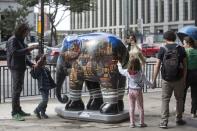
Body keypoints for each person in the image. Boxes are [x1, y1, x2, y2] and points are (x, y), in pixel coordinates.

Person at [152, 30, 187, 128]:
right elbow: (185, 66)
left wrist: (154, 80)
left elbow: (157, 65)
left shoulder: (162, 49)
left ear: (165, 39)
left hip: (166, 79)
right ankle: (179, 118)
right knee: (179, 99)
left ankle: (164, 122)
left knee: (165, 100)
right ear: (174, 38)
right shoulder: (181, 49)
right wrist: (184, 79)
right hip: (179, 79)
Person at [6, 23, 39, 121]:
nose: (27, 34)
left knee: (19, 89)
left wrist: (31, 64)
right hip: (15, 67)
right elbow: (15, 53)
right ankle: (14, 113)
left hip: (20, 67)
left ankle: (18, 110)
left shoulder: (20, 40)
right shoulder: (13, 40)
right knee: (16, 90)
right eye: (26, 32)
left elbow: (23, 56)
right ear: (22, 31)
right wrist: (28, 48)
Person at [117, 57, 153, 128]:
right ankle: (141, 123)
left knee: (131, 107)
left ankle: (132, 123)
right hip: (138, 91)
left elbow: (120, 70)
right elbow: (146, 82)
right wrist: (152, 85)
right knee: (140, 107)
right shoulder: (140, 74)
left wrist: (119, 64)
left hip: (130, 91)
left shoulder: (127, 72)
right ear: (138, 65)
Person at [30, 55, 56, 119]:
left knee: (46, 101)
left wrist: (53, 84)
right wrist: (39, 62)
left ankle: (43, 113)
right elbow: (35, 73)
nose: (45, 61)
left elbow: (49, 78)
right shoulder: (38, 68)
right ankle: (36, 110)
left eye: (44, 60)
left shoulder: (45, 69)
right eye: (43, 60)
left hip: (47, 86)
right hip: (42, 87)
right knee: (45, 100)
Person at [182, 36, 197, 118]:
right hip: (196, 74)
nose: (183, 45)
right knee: (195, 94)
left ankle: (181, 110)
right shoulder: (196, 51)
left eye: (184, 43)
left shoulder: (185, 51)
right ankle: (193, 112)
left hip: (187, 74)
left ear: (187, 43)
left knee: (183, 92)